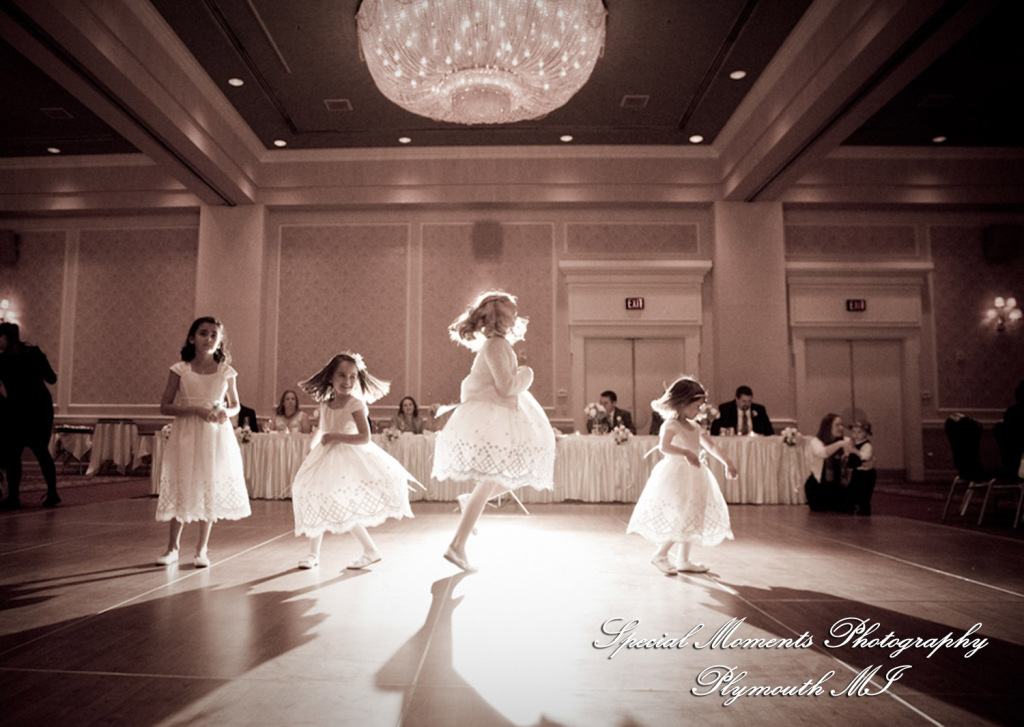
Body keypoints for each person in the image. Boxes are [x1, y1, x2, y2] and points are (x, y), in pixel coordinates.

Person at [432, 291, 556, 572]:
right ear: (501, 319)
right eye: (512, 313)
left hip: (496, 413)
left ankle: (470, 504)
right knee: (494, 477)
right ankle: (457, 545)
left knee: (511, 474)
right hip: (492, 416)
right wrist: (527, 374)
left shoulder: (497, 345)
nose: (517, 317)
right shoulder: (496, 346)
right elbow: (507, 387)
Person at [290, 351, 420, 570]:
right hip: (325, 456)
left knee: (341, 503)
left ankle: (370, 549)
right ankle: (314, 554)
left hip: (346, 457)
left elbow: (364, 437)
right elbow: (322, 428)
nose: (347, 381)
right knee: (314, 495)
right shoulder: (325, 404)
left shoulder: (355, 404)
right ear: (330, 377)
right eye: (342, 375)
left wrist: (335, 437)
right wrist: (311, 444)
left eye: (352, 376)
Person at [155, 317, 251, 567]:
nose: (208, 339)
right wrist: (196, 410)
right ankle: (172, 548)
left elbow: (236, 405)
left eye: (213, 335)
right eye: (203, 333)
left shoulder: (226, 371)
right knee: (183, 483)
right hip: (187, 432)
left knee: (209, 483)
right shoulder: (180, 369)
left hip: (215, 434)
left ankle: (201, 549)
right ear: (192, 338)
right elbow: (165, 406)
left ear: (219, 341)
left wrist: (226, 412)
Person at [627, 376, 736, 575]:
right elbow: (664, 447)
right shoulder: (671, 425)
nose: (699, 411)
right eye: (697, 406)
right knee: (682, 514)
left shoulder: (695, 427)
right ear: (683, 402)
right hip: (677, 475)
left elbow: (711, 446)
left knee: (693, 512)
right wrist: (686, 452)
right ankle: (660, 554)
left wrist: (727, 462)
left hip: (696, 475)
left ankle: (683, 559)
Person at [0, 322, 59, 509]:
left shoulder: (2, 360)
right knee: (41, 451)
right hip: (40, 408)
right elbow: (51, 378)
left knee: (13, 455)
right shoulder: (34, 353)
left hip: (17, 409)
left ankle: (13, 497)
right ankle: (52, 492)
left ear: (5, 338)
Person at [804, 413, 856, 513]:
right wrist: (839, 444)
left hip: (839, 486)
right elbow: (822, 453)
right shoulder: (816, 441)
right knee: (820, 508)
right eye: (837, 425)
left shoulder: (846, 441)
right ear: (828, 427)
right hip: (820, 487)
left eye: (842, 425)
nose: (841, 428)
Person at [846, 420, 876, 516]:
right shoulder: (852, 443)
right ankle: (851, 506)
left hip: (866, 474)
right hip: (857, 472)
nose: (856, 435)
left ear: (866, 433)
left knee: (865, 493)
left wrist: (854, 450)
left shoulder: (867, 445)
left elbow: (864, 456)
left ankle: (864, 510)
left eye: (859, 432)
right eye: (854, 432)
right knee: (852, 489)